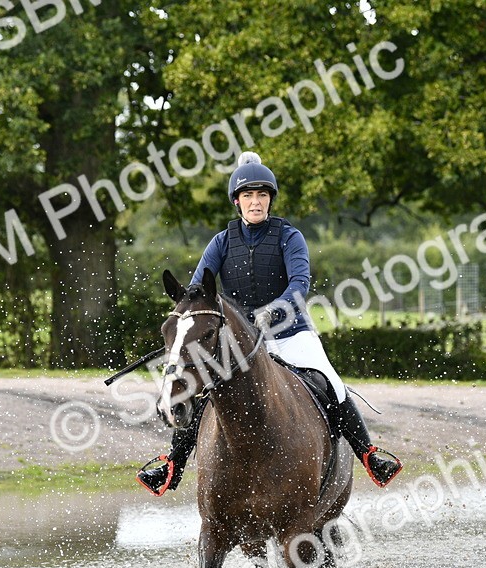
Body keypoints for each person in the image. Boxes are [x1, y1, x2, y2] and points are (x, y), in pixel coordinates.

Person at [137, 151, 403, 496]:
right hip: (237, 341)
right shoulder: (220, 242)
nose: (255, 202)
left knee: (331, 382)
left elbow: (300, 285)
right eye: (248, 196)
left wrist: (274, 310)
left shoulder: (289, 237)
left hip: (289, 332)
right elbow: (199, 289)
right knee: (199, 386)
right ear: (237, 201)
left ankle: (368, 453)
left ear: (270, 200)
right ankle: (172, 463)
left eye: (262, 195)